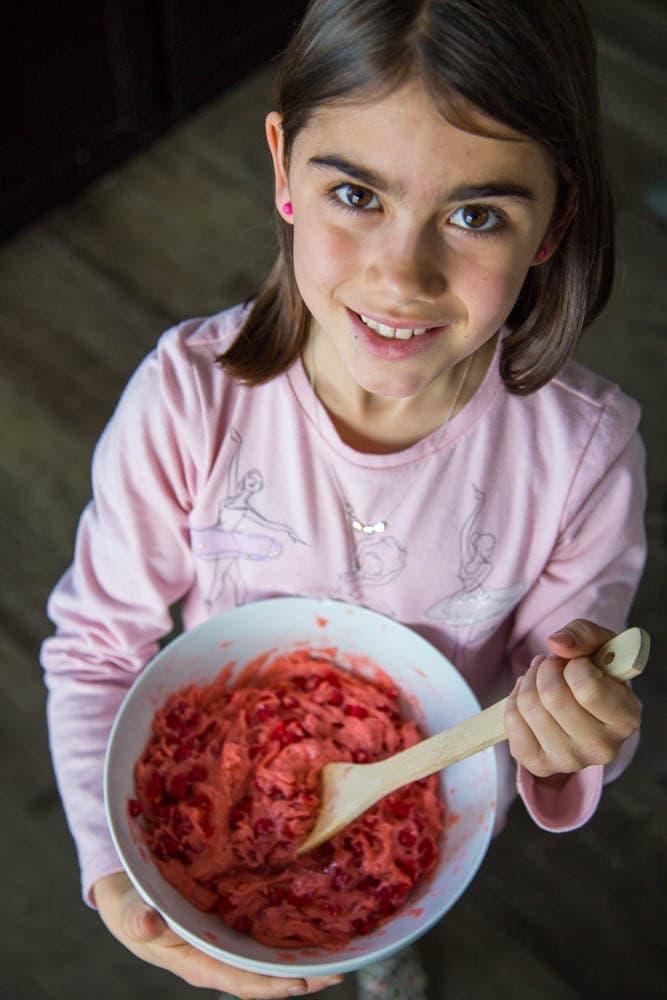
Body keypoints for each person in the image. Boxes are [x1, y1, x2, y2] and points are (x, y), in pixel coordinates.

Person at [41, 1, 647, 997]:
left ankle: (380, 942)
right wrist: (112, 871)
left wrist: (573, 731)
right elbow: (96, 648)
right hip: (214, 783)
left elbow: (556, 695)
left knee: (370, 911)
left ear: (554, 222)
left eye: (475, 214)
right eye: (356, 194)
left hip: (435, 806)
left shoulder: (584, 457)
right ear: (283, 168)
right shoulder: (189, 401)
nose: (399, 276)